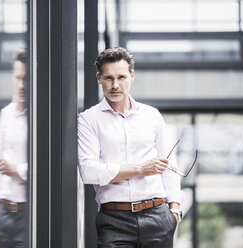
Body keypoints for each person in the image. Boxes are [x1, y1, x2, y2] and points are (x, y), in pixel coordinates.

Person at [78, 47, 183, 248]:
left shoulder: (151, 116)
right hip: (114, 221)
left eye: (121, 77)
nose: (115, 85)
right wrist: (140, 169)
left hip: (157, 217)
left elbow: (170, 165)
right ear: (99, 78)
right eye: (109, 78)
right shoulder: (88, 120)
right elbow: (89, 171)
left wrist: (174, 208)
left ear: (132, 76)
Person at [0, 48, 28, 248]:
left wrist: (17, 170)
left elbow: (46, 166)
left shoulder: (40, 119)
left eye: (26, 78)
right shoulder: (5, 114)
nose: (22, 85)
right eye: (18, 78)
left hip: (28, 214)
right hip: (4, 213)